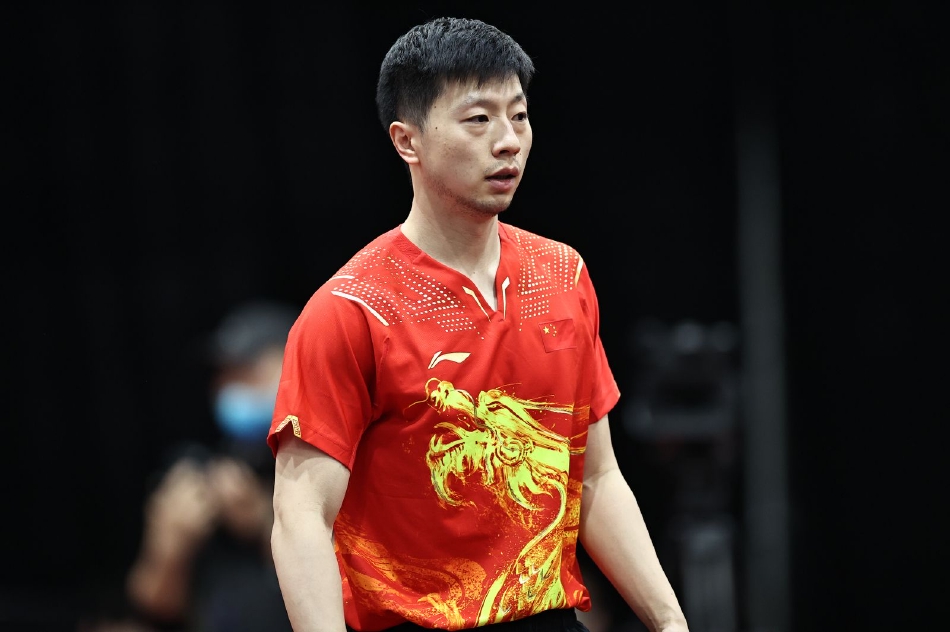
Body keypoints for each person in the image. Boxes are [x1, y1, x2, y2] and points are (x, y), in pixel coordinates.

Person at [268, 16, 689, 632]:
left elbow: (596, 477)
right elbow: (300, 515)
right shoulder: (352, 309)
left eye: (518, 116)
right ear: (407, 141)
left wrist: (670, 621)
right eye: (478, 119)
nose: (508, 141)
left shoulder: (563, 275)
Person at [126, 300, 297, 632]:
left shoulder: (333, 466)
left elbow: (355, 592)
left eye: (249, 369)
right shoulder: (198, 470)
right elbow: (153, 604)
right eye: (224, 372)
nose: (231, 385)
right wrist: (169, 549)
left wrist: (264, 524)